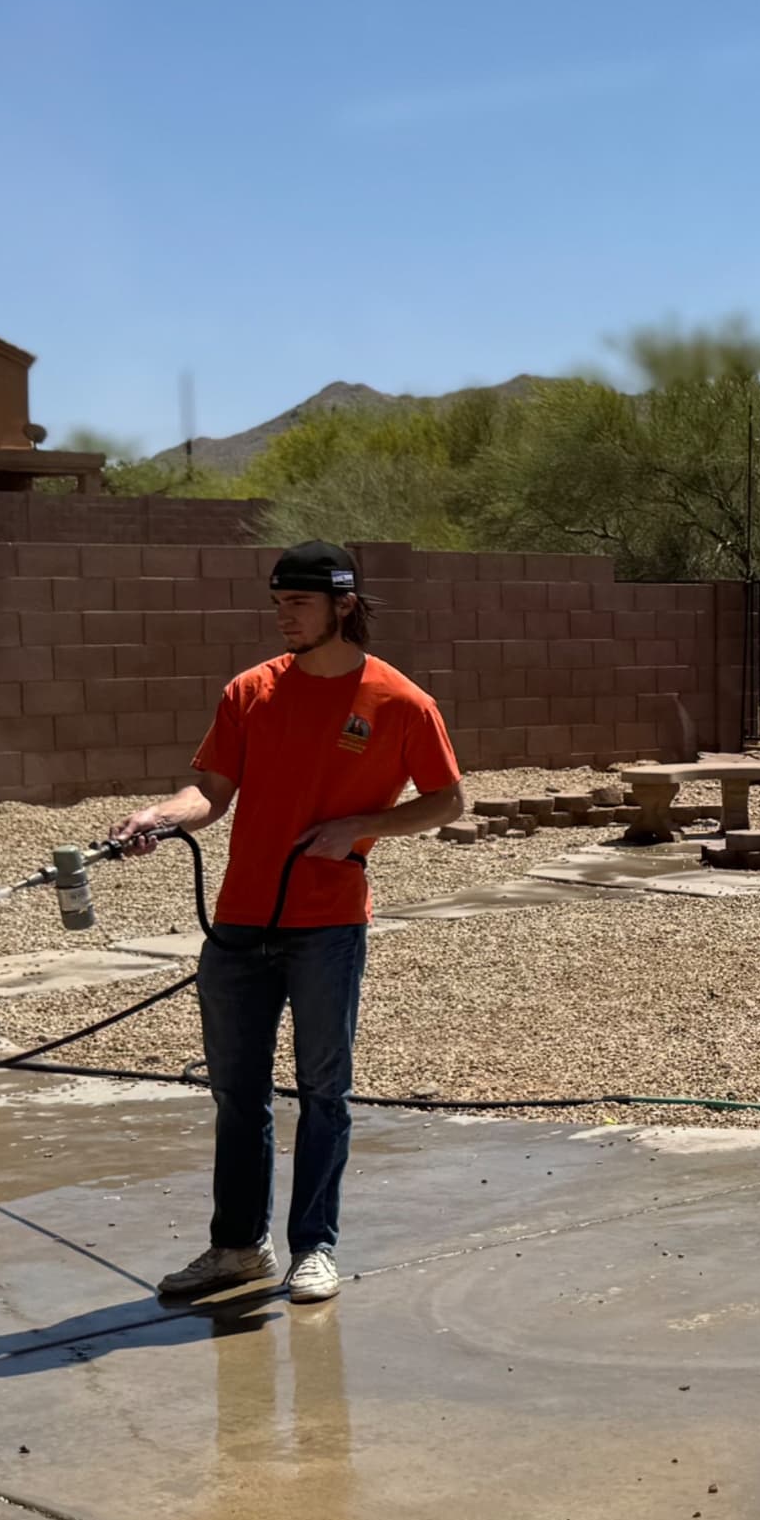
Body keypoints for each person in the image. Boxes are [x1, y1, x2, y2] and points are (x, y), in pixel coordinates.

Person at [103, 542, 464, 1307]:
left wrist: (361, 827)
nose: (283, 617)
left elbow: (447, 801)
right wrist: (160, 817)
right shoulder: (250, 693)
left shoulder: (401, 703)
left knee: (323, 1089)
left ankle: (315, 1249)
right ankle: (237, 1248)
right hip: (238, 924)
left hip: (328, 924)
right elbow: (210, 792)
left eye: (297, 604)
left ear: (342, 604)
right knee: (238, 1093)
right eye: (277, 605)